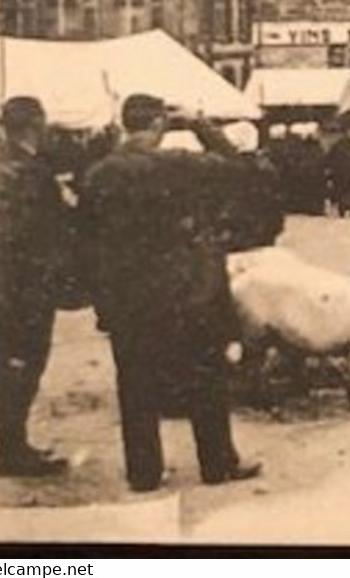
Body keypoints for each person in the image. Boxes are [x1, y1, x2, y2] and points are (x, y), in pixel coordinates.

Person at [80, 94, 260, 492]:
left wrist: (103, 300)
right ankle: (217, 463)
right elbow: (238, 167)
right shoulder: (178, 166)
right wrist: (198, 123)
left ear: (125, 124)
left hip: (129, 299)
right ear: (159, 125)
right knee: (206, 379)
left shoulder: (98, 175)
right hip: (187, 295)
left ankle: (144, 473)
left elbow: (86, 243)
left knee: (136, 384)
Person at [0, 97, 71, 478]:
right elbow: (50, 228)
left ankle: (10, 445)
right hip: (25, 287)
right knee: (25, 364)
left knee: (3, 362)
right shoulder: (32, 171)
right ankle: (14, 451)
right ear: (37, 125)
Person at [324, 110, 350, 218]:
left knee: (343, 190)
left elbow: (328, 160)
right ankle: (349, 207)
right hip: (347, 176)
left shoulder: (337, 145)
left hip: (341, 177)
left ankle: (345, 208)